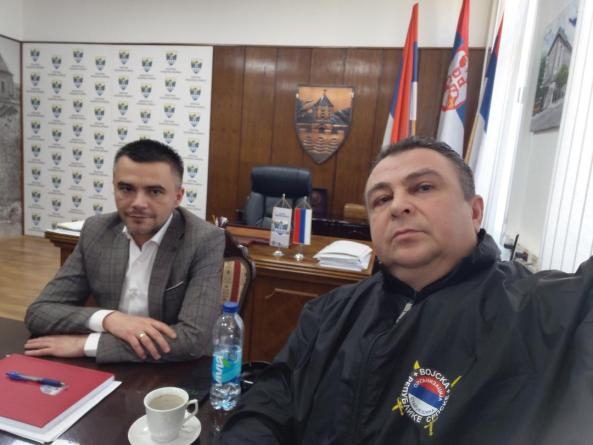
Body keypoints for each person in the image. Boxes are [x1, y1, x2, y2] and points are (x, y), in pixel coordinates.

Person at [216, 136, 593, 445]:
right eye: (382, 199)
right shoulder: (328, 311)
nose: (398, 206)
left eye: (423, 187)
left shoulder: (548, 311)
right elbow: (270, 405)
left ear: (475, 211)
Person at [24, 139, 225, 364]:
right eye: (126, 189)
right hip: (107, 369)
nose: (138, 203)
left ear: (177, 197)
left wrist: (88, 344)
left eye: (154, 191)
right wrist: (109, 319)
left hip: (174, 370)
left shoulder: (203, 240)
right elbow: (39, 312)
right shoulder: (97, 231)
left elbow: (193, 339)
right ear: (114, 188)